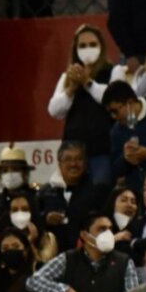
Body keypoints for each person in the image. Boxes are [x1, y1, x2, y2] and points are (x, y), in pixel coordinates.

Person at [47, 25, 122, 187]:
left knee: (100, 191)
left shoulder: (114, 71)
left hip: (102, 150)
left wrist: (87, 83)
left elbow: (112, 99)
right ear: (75, 49)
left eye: (92, 44)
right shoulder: (67, 76)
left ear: (101, 47)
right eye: (82, 45)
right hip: (73, 151)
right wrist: (71, 89)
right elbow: (55, 110)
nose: (88, 49)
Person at [38, 141, 111, 251]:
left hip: (88, 255)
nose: (73, 164)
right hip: (53, 256)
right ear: (59, 164)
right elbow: (34, 220)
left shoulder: (98, 191)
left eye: (78, 159)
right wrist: (45, 219)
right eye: (68, 159)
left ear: (86, 163)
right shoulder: (45, 192)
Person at [0, 145, 35, 221]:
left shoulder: (35, 199)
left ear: (25, 174)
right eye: (5, 171)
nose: (9, 174)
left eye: (15, 170)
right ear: (0, 175)